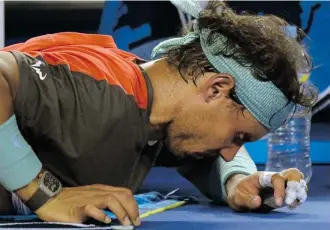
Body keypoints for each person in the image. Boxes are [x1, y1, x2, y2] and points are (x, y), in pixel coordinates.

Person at [0, 0, 317, 227]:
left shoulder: (153, 116)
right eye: (238, 136)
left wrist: (237, 182)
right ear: (217, 88)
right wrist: (43, 193)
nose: (232, 149)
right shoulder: (101, 88)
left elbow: (203, 158)